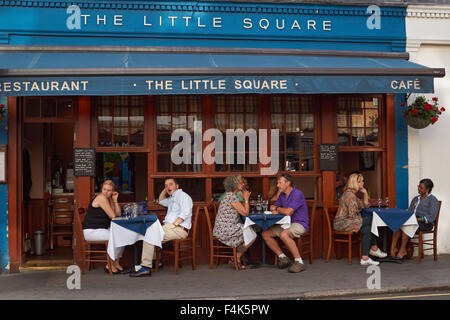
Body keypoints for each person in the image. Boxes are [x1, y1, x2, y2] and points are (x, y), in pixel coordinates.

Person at [130, 177, 193, 277]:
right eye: (166, 185)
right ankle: (155, 262)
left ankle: (146, 267)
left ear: (177, 186)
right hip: (171, 227)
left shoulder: (182, 196)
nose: (168, 186)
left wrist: (174, 225)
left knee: (150, 236)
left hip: (179, 228)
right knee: (149, 232)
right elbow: (161, 200)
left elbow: (185, 213)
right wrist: (167, 188)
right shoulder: (172, 198)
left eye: (171, 184)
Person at [333, 173, 387, 266]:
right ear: (356, 183)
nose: (363, 183)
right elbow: (352, 215)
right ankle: (374, 248)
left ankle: (365, 258)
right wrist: (361, 217)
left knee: (367, 229)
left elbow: (365, 205)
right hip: (343, 223)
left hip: (349, 222)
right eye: (361, 181)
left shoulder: (352, 194)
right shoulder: (350, 195)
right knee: (371, 220)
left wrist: (365, 193)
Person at [262, 174, 308, 273]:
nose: (277, 185)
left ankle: (299, 262)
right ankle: (283, 258)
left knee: (284, 234)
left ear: (288, 183)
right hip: (286, 224)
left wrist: (278, 209)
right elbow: (273, 207)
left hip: (299, 223)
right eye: (278, 183)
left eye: (280, 183)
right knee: (266, 234)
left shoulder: (297, 194)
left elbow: (288, 211)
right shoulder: (282, 195)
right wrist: (276, 208)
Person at [83, 180, 127, 274]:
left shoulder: (109, 199)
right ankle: (110, 265)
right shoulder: (101, 198)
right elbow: (113, 216)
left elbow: (118, 214)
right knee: (118, 237)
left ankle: (116, 263)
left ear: (113, 192)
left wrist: (115, 200)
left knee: (123, 235)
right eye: (104, 189)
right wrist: (112, 202)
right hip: (92, 231)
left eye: (109, 190)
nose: (106, 192)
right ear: (101, 189)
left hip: (100, 230)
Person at [389, 178, 440, 259]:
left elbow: (431, 217)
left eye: (421, 187)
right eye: (418, 186)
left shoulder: (432, 200)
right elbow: (410, 211)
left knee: (407, 225)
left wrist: (417, 219)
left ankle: (402, 250)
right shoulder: (416, 198)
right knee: (398, 224)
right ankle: (392, 249)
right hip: (413, 220)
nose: (419, 189)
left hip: (425, 224)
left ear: (428, 189)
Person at [213, 175, 255, 269]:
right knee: (252, 235)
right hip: (226, 231)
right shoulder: (231, 197)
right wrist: (247, 199)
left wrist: (244, 198)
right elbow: (245, 213)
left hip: (224, 228)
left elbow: (243, 209)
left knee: (250, 232)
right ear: (234, 184)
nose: (243, 184)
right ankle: (236, 257)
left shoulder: (231, 196)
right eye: (241, 182)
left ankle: (236, 257)